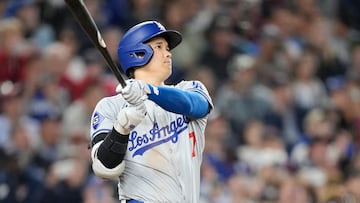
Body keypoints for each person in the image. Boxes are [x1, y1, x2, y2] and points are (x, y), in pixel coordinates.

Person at [89, 21, 213, 203]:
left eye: (167, 48)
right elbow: (104, 168)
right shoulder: (111, 107)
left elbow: (196, 105)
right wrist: (121, 130)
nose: (168, 53)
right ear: (138, 54)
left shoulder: (189, 88)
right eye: (159, 47)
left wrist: (147, 90)